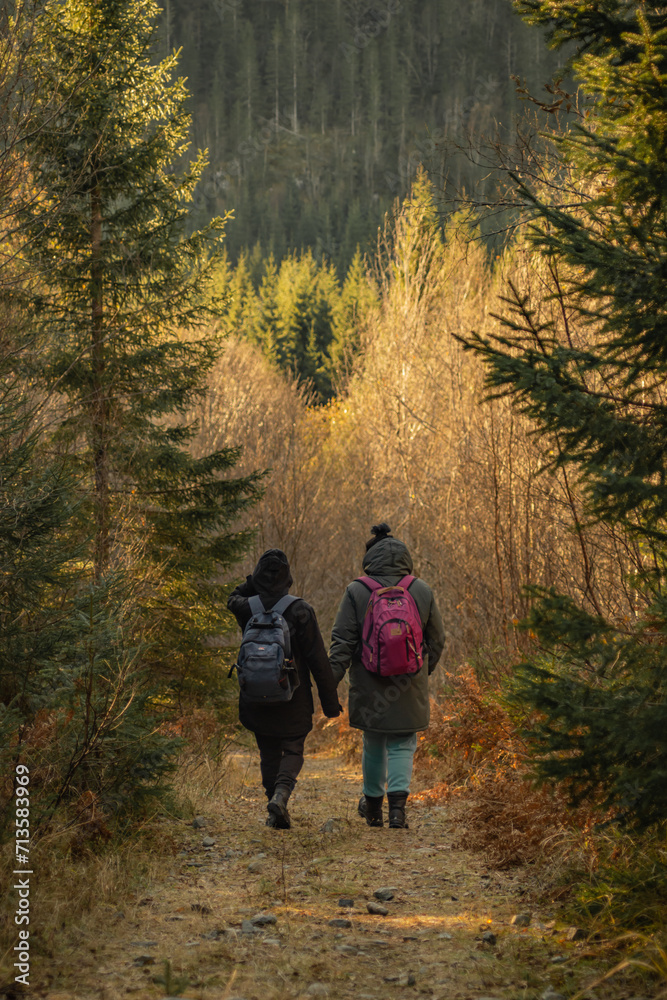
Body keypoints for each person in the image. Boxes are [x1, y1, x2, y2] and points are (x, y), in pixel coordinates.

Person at [329, 523, 445, 829]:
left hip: (369, 681)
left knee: (374, 741)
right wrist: (421, 672)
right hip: (408, 683)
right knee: (403, 742)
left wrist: (330, 680)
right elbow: (437, 640)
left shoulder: (357, 590)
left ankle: (374, 811)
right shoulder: (420, 589)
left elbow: (342, 641)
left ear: (370, 559)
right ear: (405, 559)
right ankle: (398, 813)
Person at [228, 548, 341, 829]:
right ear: (288, 577)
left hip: (255, 694)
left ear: (257, 576)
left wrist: (253, 583)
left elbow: (231, 597)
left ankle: (272, 808)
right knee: (292, 749)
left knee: (268, 751)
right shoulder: (300, 609)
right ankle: (281, 795)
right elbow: (318, 660)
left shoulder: (246, 607)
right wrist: (330, 704)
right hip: (293, 695)